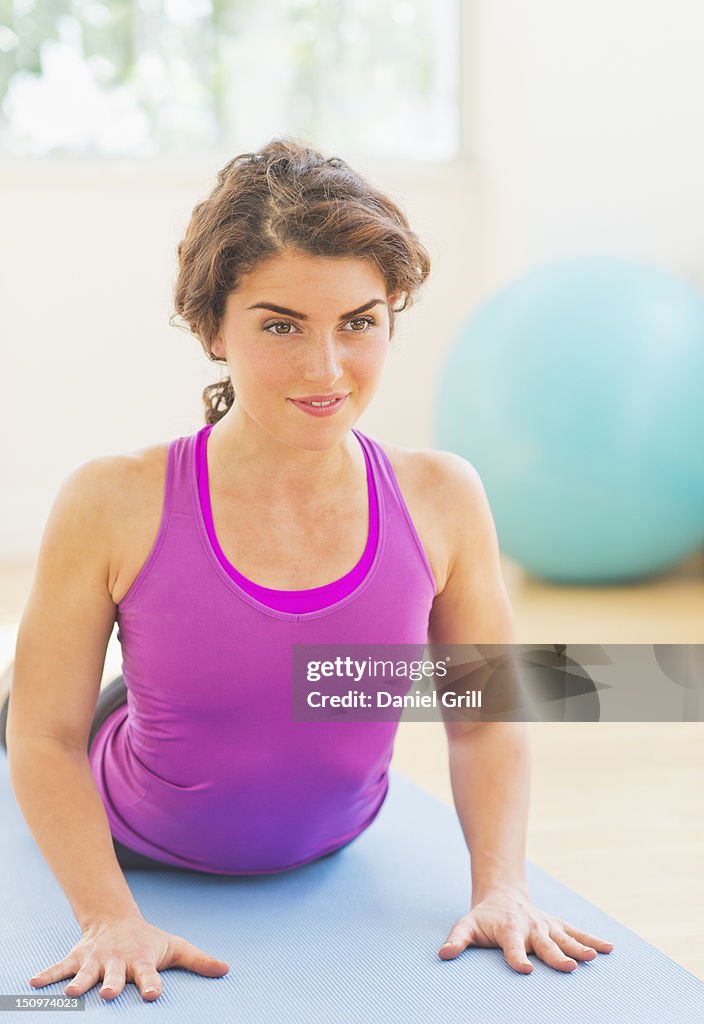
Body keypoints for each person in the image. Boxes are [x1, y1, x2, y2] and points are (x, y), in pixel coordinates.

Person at [1, 138, 613, 1003]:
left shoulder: (442, 496)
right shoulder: (111, 498)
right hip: (135, 810)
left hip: (334, 834)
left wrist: (501, 887)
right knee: (24, 699)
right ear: (214, 326)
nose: (326, 368)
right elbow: (46, 740)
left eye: (358, 322)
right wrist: (107, 915)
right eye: (281, 325)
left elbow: (483, 719)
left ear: (391, 316)